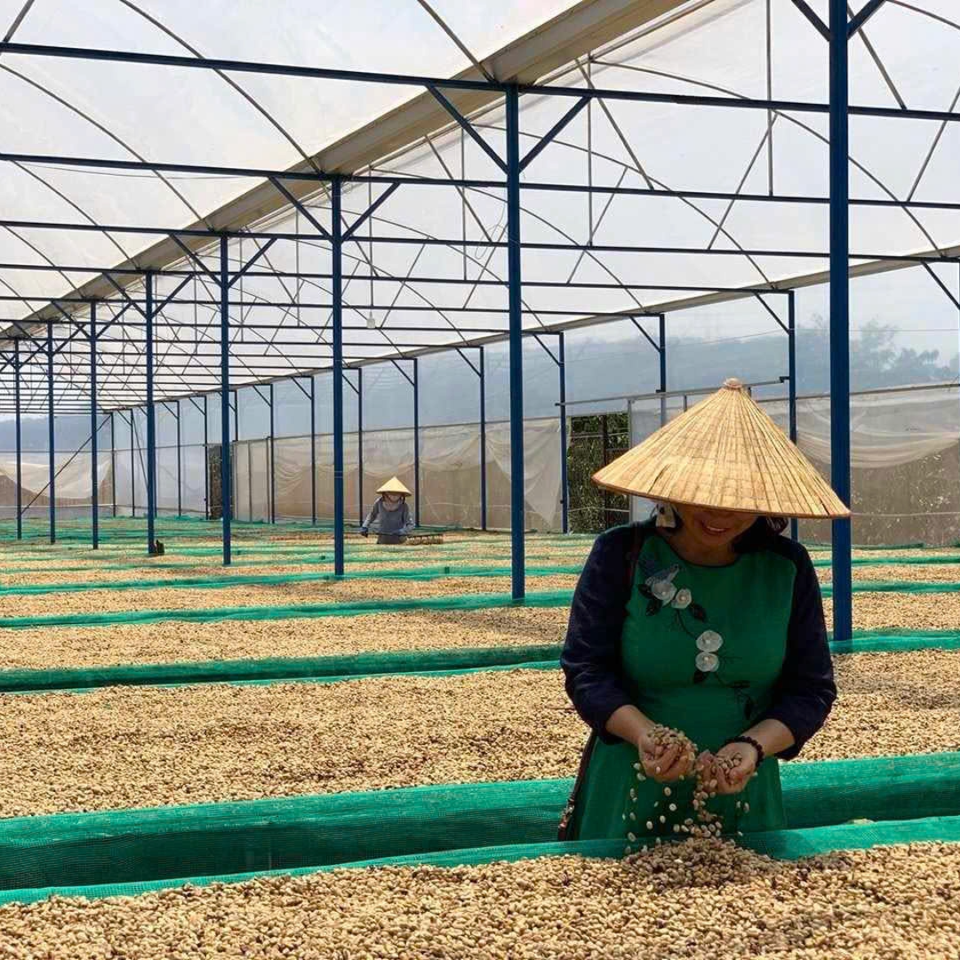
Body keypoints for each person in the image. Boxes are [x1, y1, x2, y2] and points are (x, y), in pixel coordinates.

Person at [560, 378, 848, 846]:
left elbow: (810, 689)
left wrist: (752, 747)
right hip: (631, 781)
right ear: (675, 488)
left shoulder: (786, 568)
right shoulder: (622, 554)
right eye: (705, 496)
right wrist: (647, 736)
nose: (721, 515)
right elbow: (586, 669)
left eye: (740, 501)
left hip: (743, 788)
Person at [361, 477, 415, 544]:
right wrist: (365, 526)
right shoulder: (379, 502)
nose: (394, 496)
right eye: (391, 493)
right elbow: (372, 515)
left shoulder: (404, 506)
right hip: (382, 540)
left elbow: (410, 525)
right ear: (385, 493)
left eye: (397, 494)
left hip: (399, 541)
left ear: (401, 495)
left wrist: (401, 531)